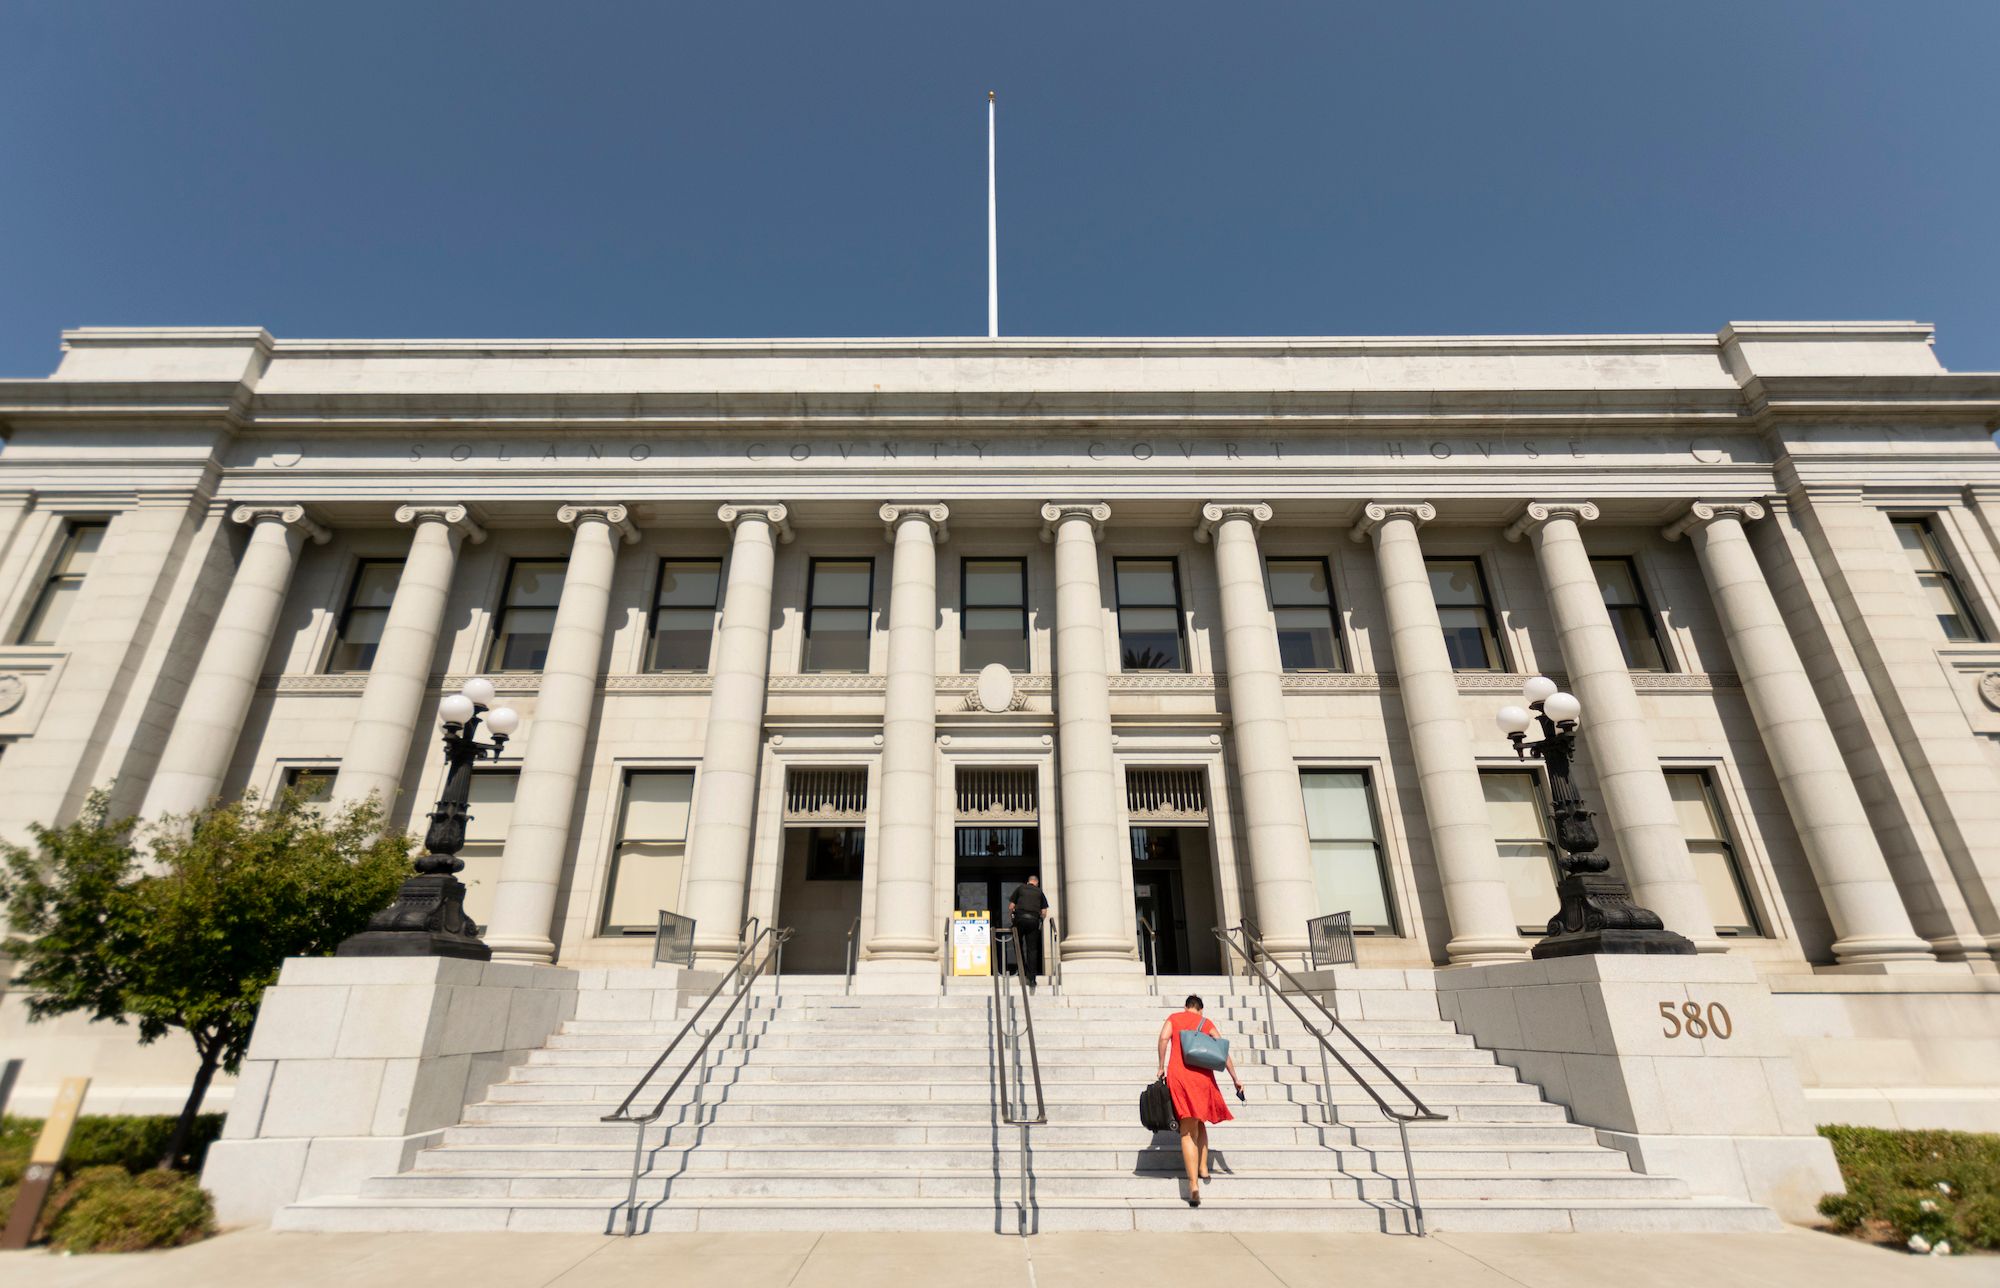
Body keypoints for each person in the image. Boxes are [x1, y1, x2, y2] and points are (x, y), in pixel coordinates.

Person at [1156, 994, 1243, 1207]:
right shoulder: (1206, 1023)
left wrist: (1160, 1065)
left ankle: (1193, 1185)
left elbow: (1163, 1038)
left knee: (1187, 1131)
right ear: (1200, 1009)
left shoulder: (1174, 1018)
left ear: (1186, 1006)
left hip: (1180, 1077)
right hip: (1202, 1079)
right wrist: (1235, 1079)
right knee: (1199, 1120)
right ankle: (1203, 1167)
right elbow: (1223, 1052)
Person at [1007, 875, 1049, 990]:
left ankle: (1022, 969)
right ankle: (1032, 979)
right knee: (1032, 949)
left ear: (1028, 882)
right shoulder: (1039, 892)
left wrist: (1012, 919)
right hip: (1033, 921)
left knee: (1017, 944)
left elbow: (1011, 906)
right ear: (1037, 883)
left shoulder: (1020, 888)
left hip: (1020, 919)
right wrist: (1040, 921)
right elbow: (1044, 912)